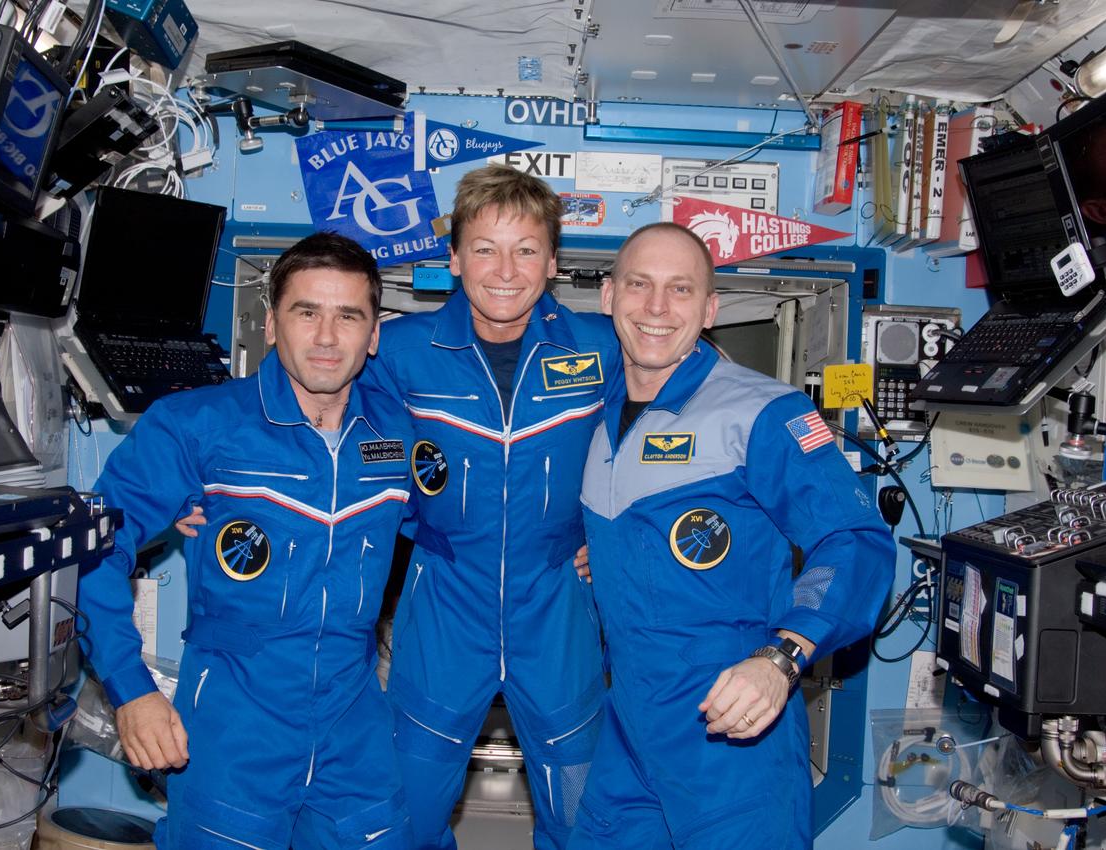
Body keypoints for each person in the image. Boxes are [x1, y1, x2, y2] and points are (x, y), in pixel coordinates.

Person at [77, 232, 416, 850]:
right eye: (306, 311)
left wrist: (577, 548)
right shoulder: (196, 425)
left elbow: (459, 533)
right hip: (235, 723)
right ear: (271, 324)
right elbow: (95, 546)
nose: (325, 336)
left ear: (373, 336)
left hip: (355, 725)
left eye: (348, 316)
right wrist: (130, 691)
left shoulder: (400, 434)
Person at [568, 222, 895, 849]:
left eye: (681, 290)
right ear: (608, 296)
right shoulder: (599, 413)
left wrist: (783, 657)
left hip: (734, 725)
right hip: (631, 722)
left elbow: (854, 540)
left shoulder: (762, 412)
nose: (657, 309)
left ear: (710, 308)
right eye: (640, 285)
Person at [367, 164, 618, 850]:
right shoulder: (399, 351)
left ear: (553, 262)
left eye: (526, 249)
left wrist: (620, 539)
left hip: (560, 598)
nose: (505, 270)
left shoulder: (601, 349)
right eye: (484, 248)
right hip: (445, 596)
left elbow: (655, 448)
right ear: (453, 258)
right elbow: (352, 453)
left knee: (580, 811)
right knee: (406, 814)